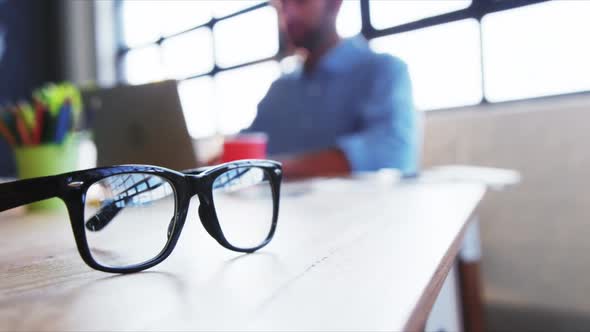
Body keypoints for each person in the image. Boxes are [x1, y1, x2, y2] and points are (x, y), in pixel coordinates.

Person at [245, 0, 418, 179]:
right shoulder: (279, 90)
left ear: (335, 4)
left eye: (300, 2)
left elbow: (391, 154)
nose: (289, 14)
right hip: (274, 207)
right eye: (282, 6)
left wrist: (271, 169)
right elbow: (242, 151)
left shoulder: (384, 70)